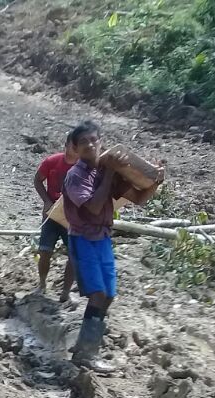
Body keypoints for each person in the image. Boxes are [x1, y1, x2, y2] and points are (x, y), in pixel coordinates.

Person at [62, 120, 163, 373]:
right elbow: (94, 207)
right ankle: (86, 355)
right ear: (74, 148)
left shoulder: (106, 172)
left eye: (94, 139)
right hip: (83, 238)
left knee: (108, 295)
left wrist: (156, 183)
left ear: (101, 141)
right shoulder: (76, 176)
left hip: (103, 237)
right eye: (83, 141)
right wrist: (109, 171)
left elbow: (139, 199)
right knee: (97, 294)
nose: (90, 144)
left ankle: (87, 347)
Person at [32, 140, 78, 302]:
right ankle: (42, 284)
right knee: (45, 251)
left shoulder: (83, 167)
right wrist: (46, 201)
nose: (75, 150)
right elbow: (37, 180)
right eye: (73, 145)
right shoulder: (52, 162)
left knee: (73, 255)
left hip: (71, 217)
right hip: (51, 214)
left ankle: (65, 292)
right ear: (66, 145)